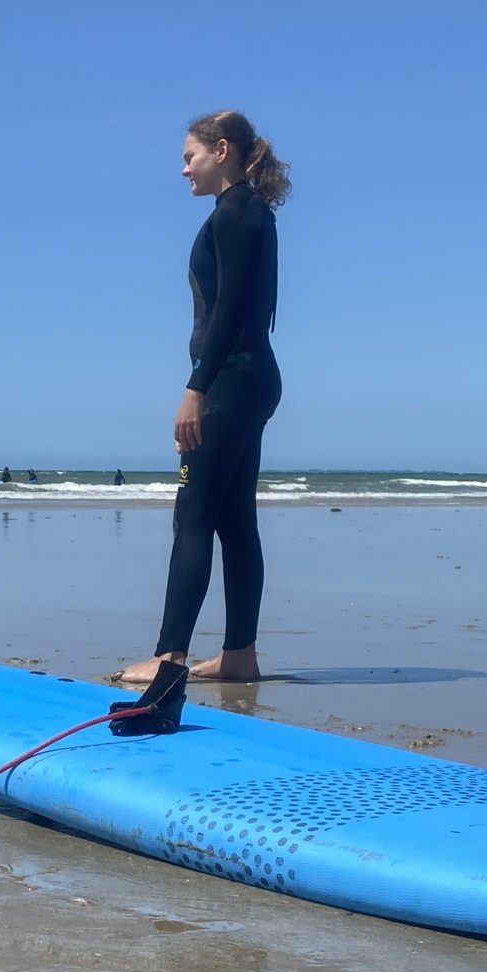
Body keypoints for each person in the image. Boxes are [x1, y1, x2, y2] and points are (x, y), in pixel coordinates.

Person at [120, 109, 289, 709]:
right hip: (249, 379)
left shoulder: (235, 213)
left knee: (192, 514)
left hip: (230, 381)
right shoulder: (248, 213)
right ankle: (239, 655)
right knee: (234, 518)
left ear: (222, 150)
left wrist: (196, 386)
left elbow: (231, 313)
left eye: (190, 156)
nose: (183, 168)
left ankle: (170, 656)